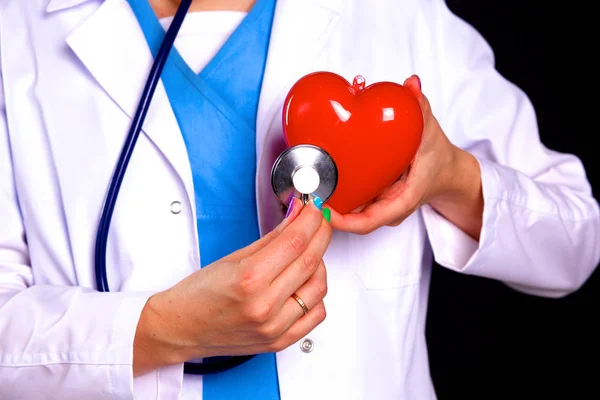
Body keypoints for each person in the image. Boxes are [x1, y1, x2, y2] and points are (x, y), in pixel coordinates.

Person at [0, 0, 598, 399]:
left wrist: (451, 177)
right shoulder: (19, 29)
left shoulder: (398, 15)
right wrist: (159, 331)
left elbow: (575, 245)